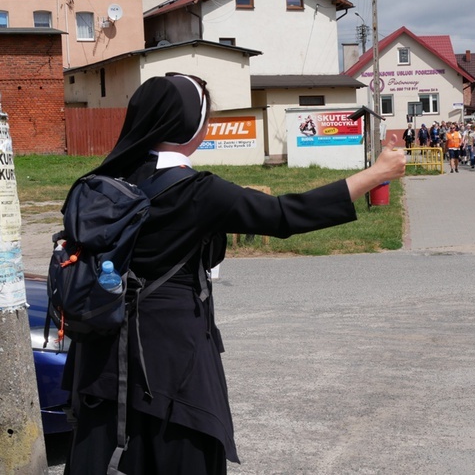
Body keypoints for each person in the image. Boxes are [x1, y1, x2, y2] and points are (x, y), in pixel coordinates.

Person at [61, 73, 406, 475]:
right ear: (192, 126)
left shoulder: (97, 185)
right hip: (174, 371)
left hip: (100, 365)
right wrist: (376, 174)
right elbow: (284, 214)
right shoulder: (199, 192)